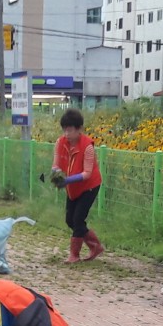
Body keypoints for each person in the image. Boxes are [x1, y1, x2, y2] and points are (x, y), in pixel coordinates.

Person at [51, 108, 104, 263]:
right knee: (70, 220)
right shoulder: (60, 143)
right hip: (73, 187)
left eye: (70, 130)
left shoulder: (87, 146)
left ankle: (74, 255)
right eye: (64, 130)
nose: (67, 134)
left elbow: (87, 173)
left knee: (78, 219)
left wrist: (67, 180)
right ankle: (96, 246)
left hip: (89, 186)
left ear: (79, 129)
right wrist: (56, 174)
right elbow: (56, 164)